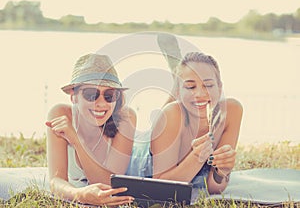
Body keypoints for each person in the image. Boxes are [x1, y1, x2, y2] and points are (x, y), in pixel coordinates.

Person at [46, 53, 136, 206]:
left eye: (109, 95)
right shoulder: (61, 114)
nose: (101, 104)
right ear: (73, 96)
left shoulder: (126, 118)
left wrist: (76, 141)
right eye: (91, 94)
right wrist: (79, 194)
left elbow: (109, 184)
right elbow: (56, 180)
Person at [150, 52, 243, 194]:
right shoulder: (172, 115)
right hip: (152, 155)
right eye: (190, 87)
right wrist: (196, 158)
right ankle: (175, 84)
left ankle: (179, 78)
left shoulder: (232, 112)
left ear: (220, 87)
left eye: (208, 85)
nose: (199, 93)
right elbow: (162, 189)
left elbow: (215, 188)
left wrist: (222, 170)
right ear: (179, 91)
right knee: (166, 116)